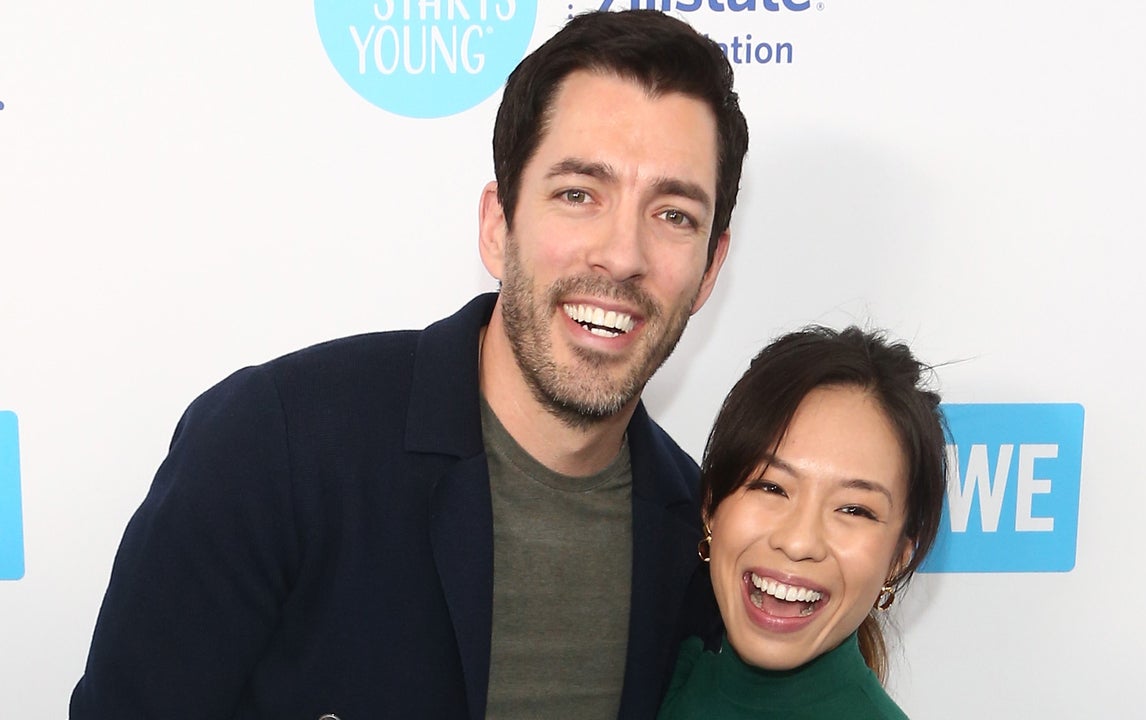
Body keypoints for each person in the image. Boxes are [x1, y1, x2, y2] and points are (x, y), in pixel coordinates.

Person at [70, 9, 748, 720]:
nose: (622, 254)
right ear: (498, 226)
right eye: (578, 195)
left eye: (674, 215)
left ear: (709, 270)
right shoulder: (275, 445)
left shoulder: (700, 544)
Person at [659, 326, 947, 719]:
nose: (798, 542)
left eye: (854, 510)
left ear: (897, 559)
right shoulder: (652, 683)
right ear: (711, 507)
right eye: (771, 487)